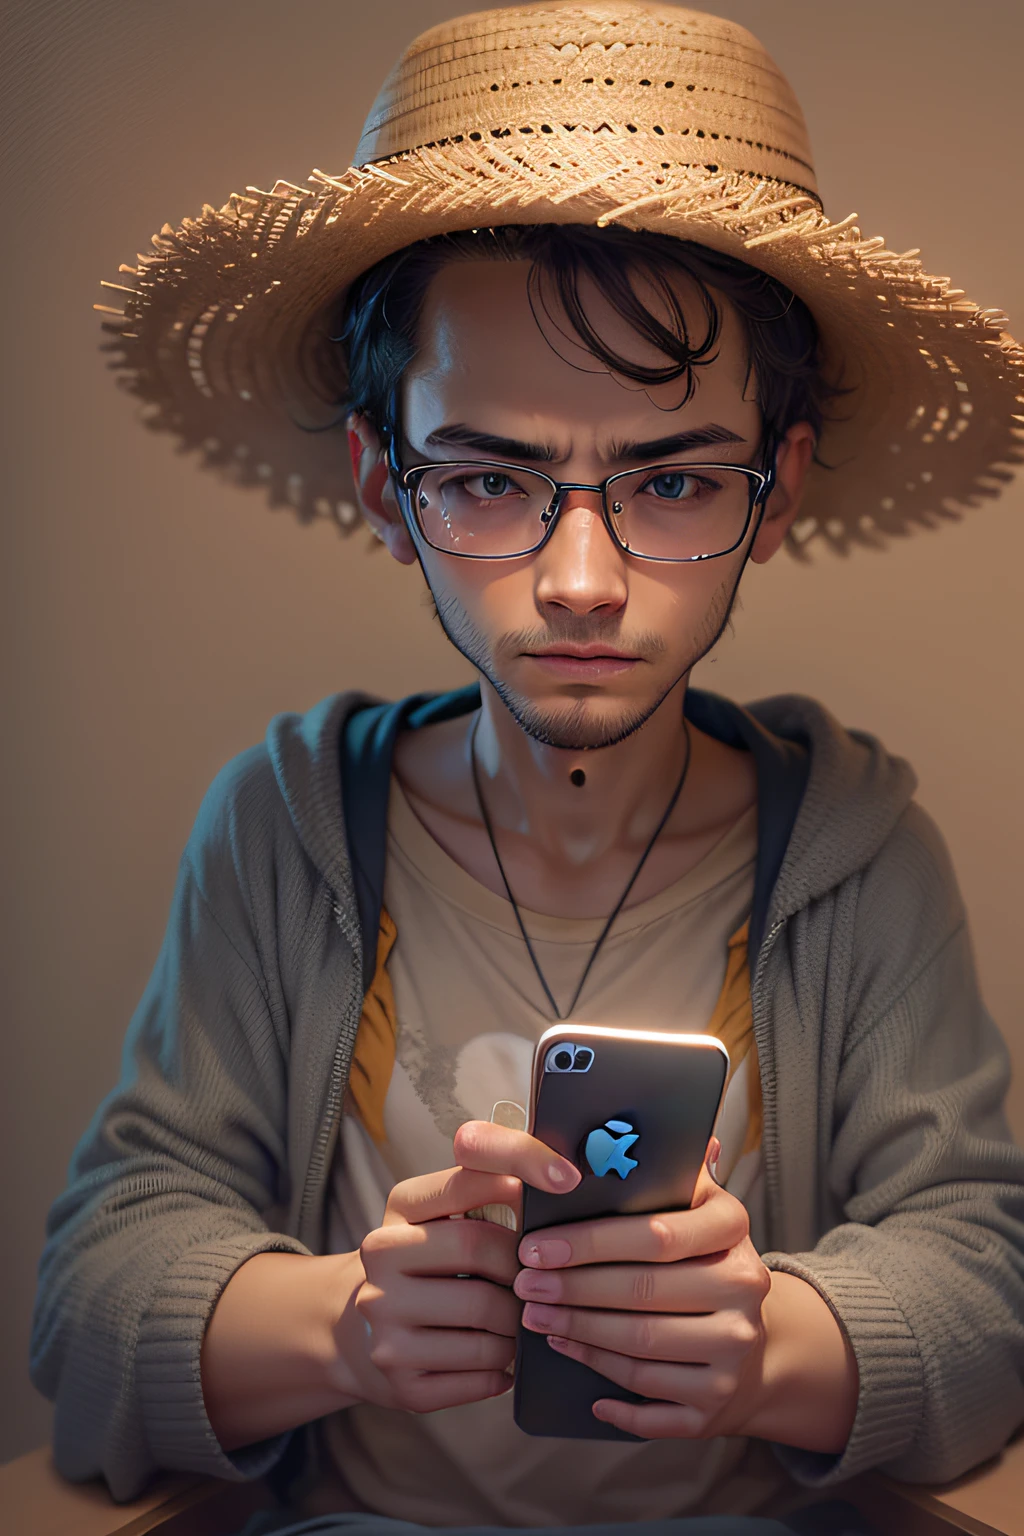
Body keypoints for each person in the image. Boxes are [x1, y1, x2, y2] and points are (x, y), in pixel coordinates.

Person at [30, 3, 1024, 1533]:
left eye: (672, 480)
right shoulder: (288, 831)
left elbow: (982, 1274)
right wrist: (347, 1327)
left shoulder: (856, 851)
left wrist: (765, 1350)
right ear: (384, 478)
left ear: (779, 492)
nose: (579, 582)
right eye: (489, 478)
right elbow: (97, 1289)